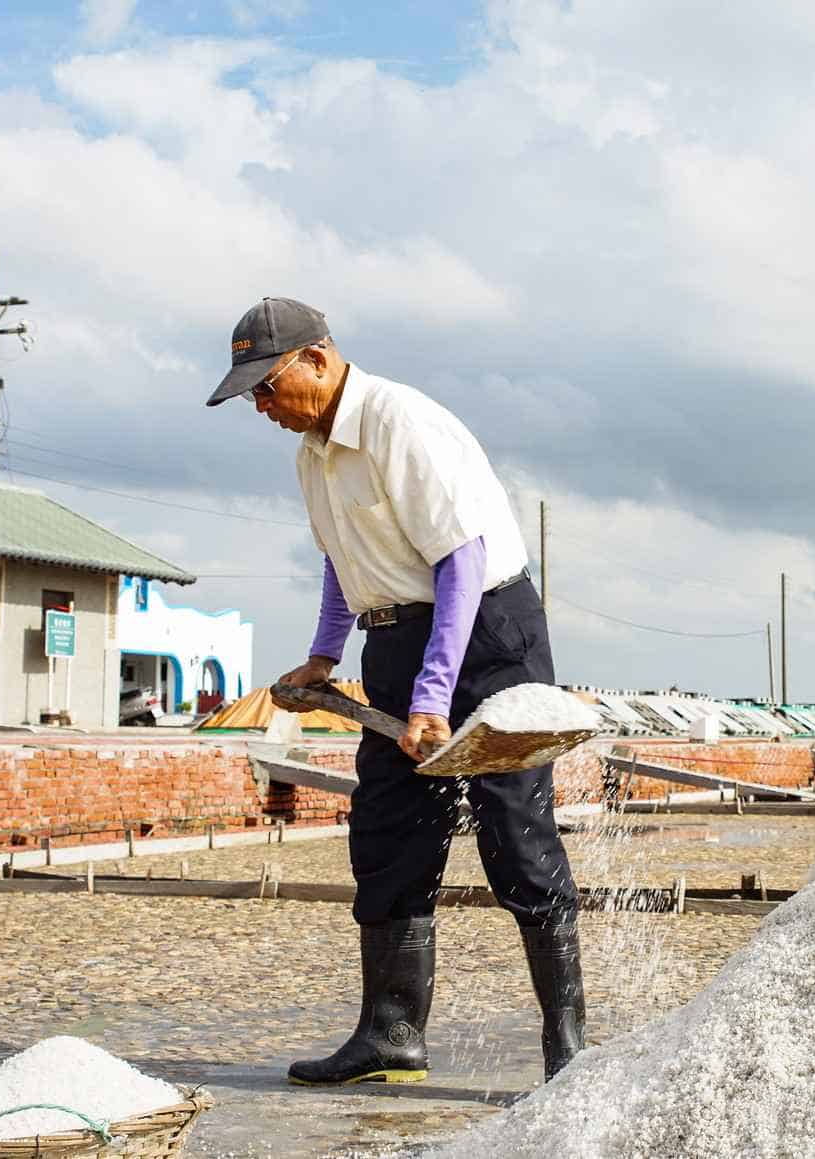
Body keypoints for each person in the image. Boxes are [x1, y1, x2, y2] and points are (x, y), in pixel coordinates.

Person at [206, 297, 586, 1086]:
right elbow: (341, 557)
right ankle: (391, 1034)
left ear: (318, 358)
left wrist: (433, 697)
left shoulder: (399, 422)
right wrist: (323, 656)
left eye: (268, 386)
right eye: (252, 395)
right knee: (387, 834)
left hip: (485, 636)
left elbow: (462, 561)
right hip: (395, 640)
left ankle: (568, 1047)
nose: (262, 406)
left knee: (516, 838)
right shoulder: (313, 454)